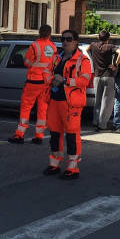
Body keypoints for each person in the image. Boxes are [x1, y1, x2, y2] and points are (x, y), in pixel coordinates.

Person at [44, 29, 93, 179]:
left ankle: (73, 168)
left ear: (76, 41)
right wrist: (52, 80)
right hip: (54, 100)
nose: (65, 41)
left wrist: (65, 80)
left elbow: (85, 80)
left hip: (71, 103)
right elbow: (45, 72)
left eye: (69, 39)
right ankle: (54, 164)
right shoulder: (56, 57)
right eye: (63, 39)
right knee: (54, 133)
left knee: (72, 135)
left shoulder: (82, 60)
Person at [9, 24, 58, 144]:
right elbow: (54, 64)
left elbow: (27, 62)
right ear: (50, 34)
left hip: (33, 80)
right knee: (42, 109)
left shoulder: (35, 45)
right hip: (46, 82)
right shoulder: (53, 47)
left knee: (26, 107)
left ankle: (20, 134)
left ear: (39, 33)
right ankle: (39, 135)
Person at [88, 30, 117, 131]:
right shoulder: (110, 46)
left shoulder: (93, 45)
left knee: (98, 100)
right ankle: (102, 124)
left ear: (98, 38)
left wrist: (92, 58)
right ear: (108, 39)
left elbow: (87, 49)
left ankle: (95, 122)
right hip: (108, 75)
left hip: (97, 76)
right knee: (107, 101)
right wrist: (115, 65)